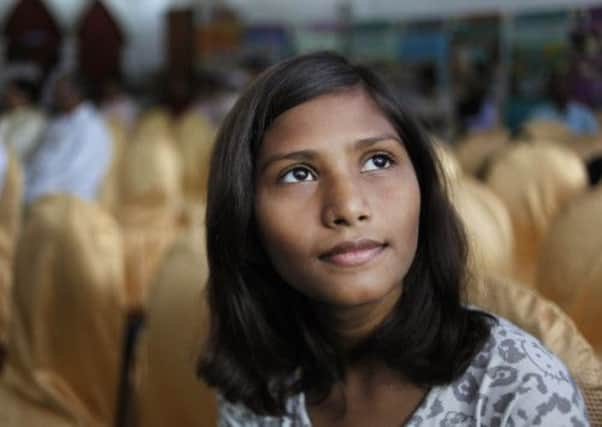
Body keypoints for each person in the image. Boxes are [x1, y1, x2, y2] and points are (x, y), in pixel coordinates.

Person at [198, 52, 589, 426]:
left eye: (378, 161)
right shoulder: (260, 384)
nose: (348, 207)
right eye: (298, 174)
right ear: (246, 217)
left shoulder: (519, 390)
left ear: (422, 188)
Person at [24, 72, 112, 205]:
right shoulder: (57, 122)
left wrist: (34, 191)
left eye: (58, 91)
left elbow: (73, 171)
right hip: (37, 188)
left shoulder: (92, 128)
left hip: (67, 201)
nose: (53, 96)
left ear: (75, 93)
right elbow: (39, 159)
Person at [529, 71, 599, 136]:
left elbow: (594, 137)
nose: (560, 90)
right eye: (556, 87)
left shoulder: (583, 113)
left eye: (563, 86)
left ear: (569, 89)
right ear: (550, 91)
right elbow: (531, 137)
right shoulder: (539, 114)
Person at [0, 78, 47, 166]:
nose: (5, 96)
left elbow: (14, 150)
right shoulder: (10, 113)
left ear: (24, 97)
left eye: (11, 92)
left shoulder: (34, 120)